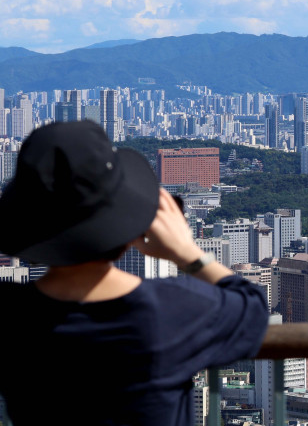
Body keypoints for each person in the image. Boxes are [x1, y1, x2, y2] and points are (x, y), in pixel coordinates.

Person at [0, 121, 270, 426]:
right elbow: (253, 307)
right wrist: (186, 252)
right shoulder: (174, 310)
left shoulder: (10, 316)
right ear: (126, 223)